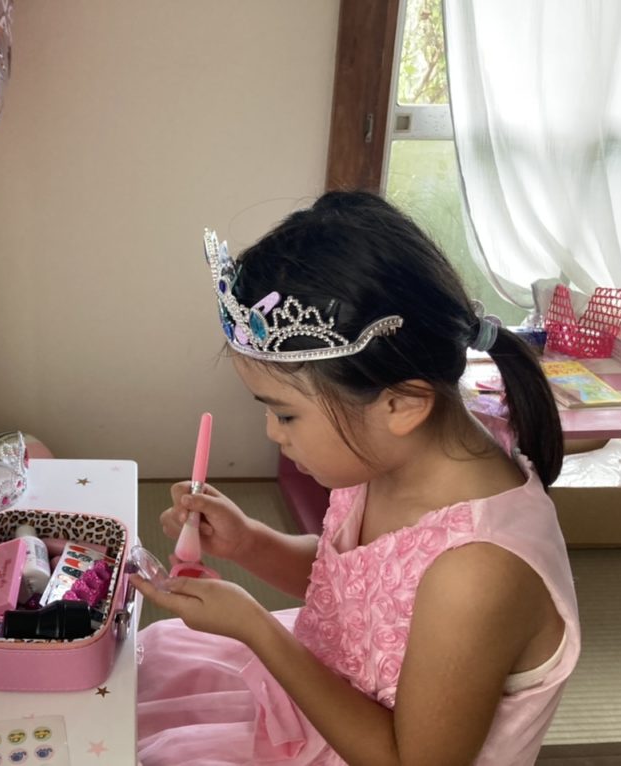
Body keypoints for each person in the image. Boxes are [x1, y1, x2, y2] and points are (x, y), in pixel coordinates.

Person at [131, 191, 580, 765]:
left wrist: (257, 629)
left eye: (286, 415)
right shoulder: (390, 454)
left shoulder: (478, 572)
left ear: (401, 405)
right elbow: (356, 593)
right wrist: (249, 542)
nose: (272, 433)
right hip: (321, 698)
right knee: (151, 671)